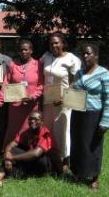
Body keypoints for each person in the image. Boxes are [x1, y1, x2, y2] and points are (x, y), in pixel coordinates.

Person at [70, 44, 109, 190]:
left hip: (94, 115)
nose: (85, 56)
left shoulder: (104, 74)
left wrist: (105, 121)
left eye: (88, 54)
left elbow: (108, 99)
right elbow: (73, 89)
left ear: (96, 55)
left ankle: (94, 177)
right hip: (77, 113)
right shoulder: (79, 73)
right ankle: (77, 172)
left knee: (93, 146)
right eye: (83, 54)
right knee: (77, 144)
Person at [0, 39, 43, 149]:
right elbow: (6, 84)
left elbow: (41, 85)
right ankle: (9, 154)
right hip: (15, 106)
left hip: (31, 106)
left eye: (26, 50)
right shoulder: (13, 65)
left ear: (31, 51)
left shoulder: (38, 65)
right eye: (21, 50)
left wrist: (32, 96)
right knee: (14, 130)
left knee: (30, 129)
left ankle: (29, 154)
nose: (23, 52)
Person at [0, 111, 61, 186]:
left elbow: (36, 154)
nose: (32, 121)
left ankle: (4, 174)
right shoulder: (27, 131)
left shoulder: (46, 134)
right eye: (30, 119)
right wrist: (7, 158)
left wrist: (12, 158)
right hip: (34, 162)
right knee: (14, 150)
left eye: (36, 119)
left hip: (49, 166)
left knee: (36, 157)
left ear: (42, 121)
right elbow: (11, 145)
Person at [40, 32, 81, 169]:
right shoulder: (46, 56)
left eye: (57, 42)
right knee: (48, 127)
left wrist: (65, 97)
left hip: (63, 100)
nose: (54, 45)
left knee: (63, 129)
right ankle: (49, 154)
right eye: (51, 43)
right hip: (48, 99)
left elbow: (77, 81)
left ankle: (65, 159)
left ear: (63, 43)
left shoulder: (71, 59)